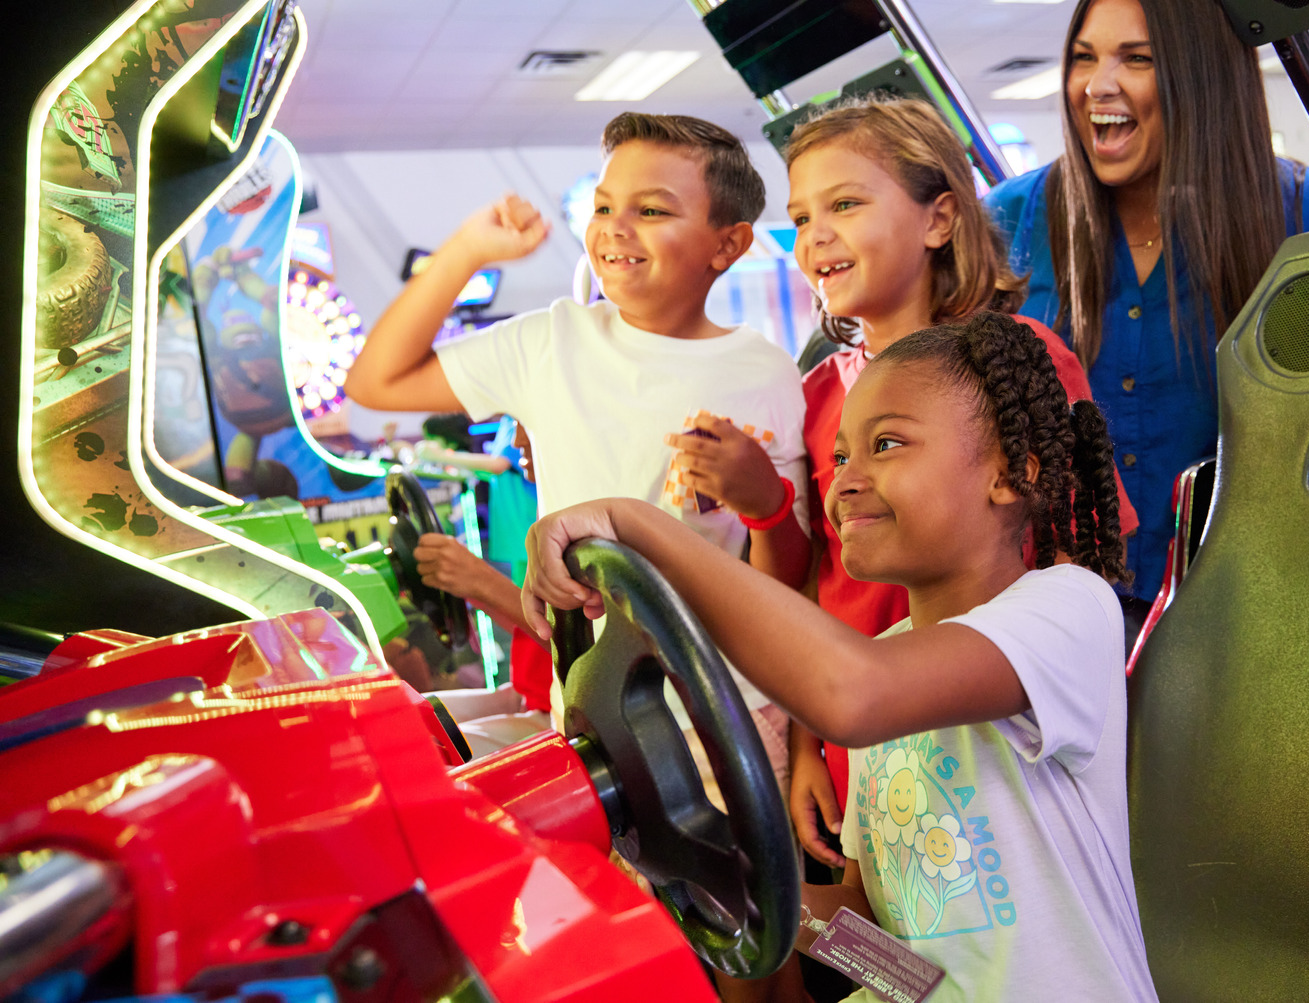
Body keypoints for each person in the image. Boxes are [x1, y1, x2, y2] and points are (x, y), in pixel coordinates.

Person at [522, 311, 1158, 1002]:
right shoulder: (879, 659)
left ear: (1010, 474)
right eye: (843, 454)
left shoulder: (1066, 610)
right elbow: (897, 946)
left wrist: (636, 527)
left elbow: (851, 695)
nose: (846, 480)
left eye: (886, 444)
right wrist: (748, 886)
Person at [692, 96, 1137, 878]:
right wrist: (806, 747)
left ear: (939, 219)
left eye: (846, 203)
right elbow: (813, 587)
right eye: (801, 216)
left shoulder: (1016, 362)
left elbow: (1082, 552)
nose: (815, 234)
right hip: (860, 755)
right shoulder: (820, 391)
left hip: (996, 749)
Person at [345, 112, 811, 782]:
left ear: (728, 243)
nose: (616, 226)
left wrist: (765, 500)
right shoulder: (548, 342)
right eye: (603, 205)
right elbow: (375, 380)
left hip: (727, 718)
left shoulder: (762, 373)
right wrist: (468, 251)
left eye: (651, 209)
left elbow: (784, 585)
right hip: (590, 715)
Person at [985, 0, 1309, 609]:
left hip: (1238, 607)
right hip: (1054, 605)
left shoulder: (1302, 214)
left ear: (1199, 74)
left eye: (1138, 59)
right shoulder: (1010, 218)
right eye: (1083, 57)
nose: (1097, 84)